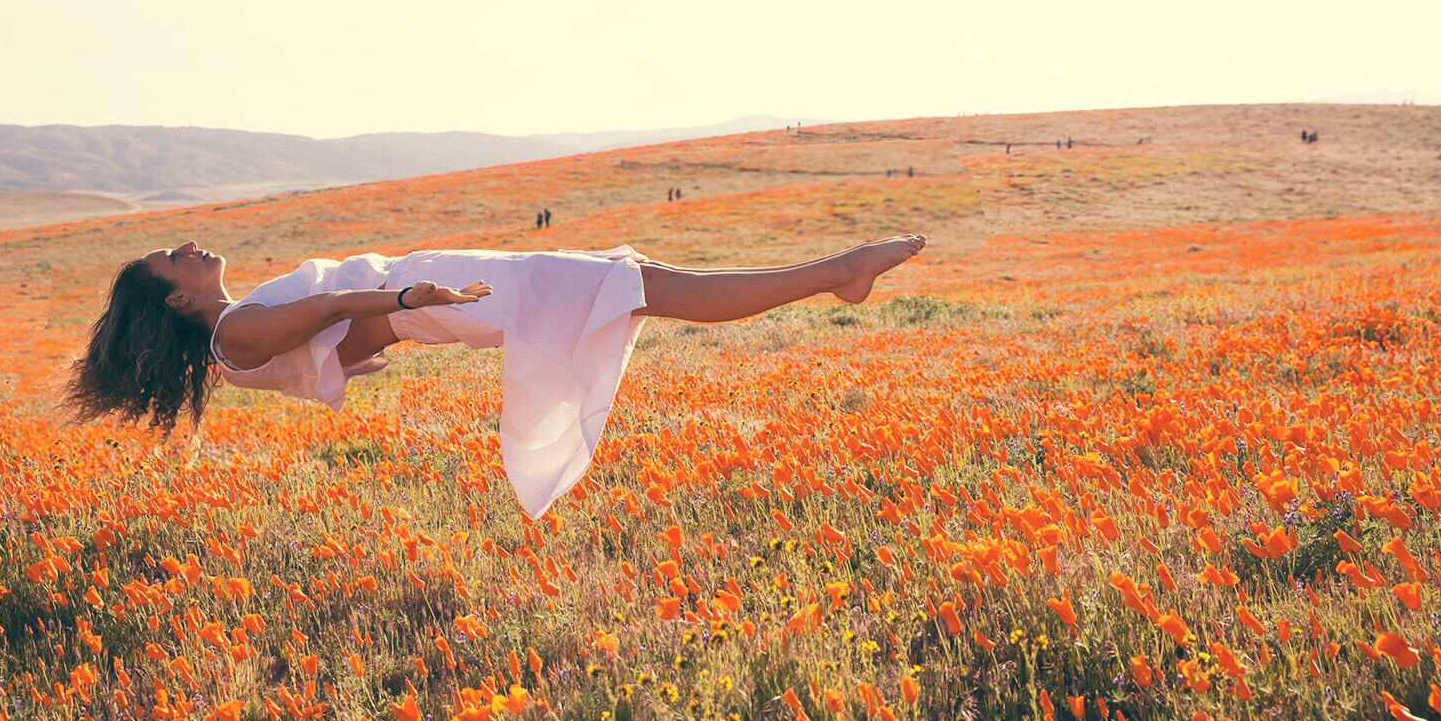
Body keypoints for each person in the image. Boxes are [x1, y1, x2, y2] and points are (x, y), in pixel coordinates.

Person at [63, 235, 928, 518]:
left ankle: (829, 276)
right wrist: (413, 297)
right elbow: (338, 317)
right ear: (173, 303)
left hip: (437, 299)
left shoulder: (239, 344)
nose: (186, 250)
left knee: (637, 285)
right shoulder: (239, 331)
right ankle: (833, 275)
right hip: (446, 291)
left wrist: (403, 315)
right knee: (639, 287)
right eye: (169, 262)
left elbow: (349, 348)